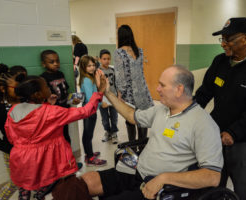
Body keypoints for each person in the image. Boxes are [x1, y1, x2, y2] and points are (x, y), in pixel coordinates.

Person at [54, 65, 224, 200]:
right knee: (79, 184)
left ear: (179, 90)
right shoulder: (162, 110)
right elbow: (131, 115)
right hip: (136, 169)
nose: (157, 89)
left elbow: (212, 176)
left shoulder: (203, 124)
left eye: (162, 85)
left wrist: (164, 178)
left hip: (159, 186)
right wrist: (107, 92)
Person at [194, 17, 246, 200]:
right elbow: (204, 93)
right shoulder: (219, 62)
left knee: (243, 188)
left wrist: (233, 133)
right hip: (216, 136)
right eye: (222, 39)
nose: (223, 44)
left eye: (228, 39)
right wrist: (187, 112)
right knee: (213, 185)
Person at [4, 72, 106, 200]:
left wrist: (47, 105)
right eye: (46, 86)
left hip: (22, 161)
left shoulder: (13, 110)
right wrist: (100, 92)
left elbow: (11, 136)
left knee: (27, 185)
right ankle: (40, 194)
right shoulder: (52, 112)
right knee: (51, 184)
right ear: (38, 94)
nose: (49, 88)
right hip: (45, 161)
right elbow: (85, 111)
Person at [39, 50, 83, 169]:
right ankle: (62, 165)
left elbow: (65, 93)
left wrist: (73, 100)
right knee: (58, 141)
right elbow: (44, 98)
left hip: (64, 112)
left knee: (66, 137)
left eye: (57, 61)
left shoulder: (61, 74)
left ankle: (69, 162)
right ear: (44, 64)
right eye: (51, 62)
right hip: (54, 115)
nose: (56, 64)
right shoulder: (43, 79)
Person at [114, 25, 154, 143]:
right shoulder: (139, 51)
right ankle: (142, 146)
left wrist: (120, 93)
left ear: (120, 37)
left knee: (130, 118)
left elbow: (120, 76)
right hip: (143, 91)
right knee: (142, 118)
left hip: (129, 93)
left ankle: (132, 145)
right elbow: (140, 72)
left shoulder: (119, 52)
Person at [0, 64, 26, 200]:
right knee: (15, 182)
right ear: (3, 89)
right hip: (12, 152)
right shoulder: (1, 111)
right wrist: (11, 149)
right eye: (17, 88)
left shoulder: (24, 104)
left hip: (28, 150)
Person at [79, 55, 107, 166]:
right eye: (89, 66)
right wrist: (101, 102)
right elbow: (91, 98)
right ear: (83, 67)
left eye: (93, 65)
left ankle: (89, 153)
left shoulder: (89, 77)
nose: (92, 68)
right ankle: (89, 157)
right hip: (89, 110)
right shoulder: (86, 80)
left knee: (88, 134)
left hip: (91, 110)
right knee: (87, 134)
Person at [98, 49, 119, 144]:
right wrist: (100, 100)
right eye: (104, 59)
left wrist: (118, 96)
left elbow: (116, 83)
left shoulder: (113, 70)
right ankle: (108, 132)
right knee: (105, 118)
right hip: (103, 98)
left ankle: (114, 132)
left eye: (108, 59)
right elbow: (96, 86)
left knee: (114, 117)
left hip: (113, 97)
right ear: (100, 59)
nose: (106, 61)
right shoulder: (97, 72)